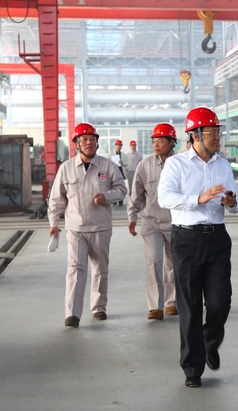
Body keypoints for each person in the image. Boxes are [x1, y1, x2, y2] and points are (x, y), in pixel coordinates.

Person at [158, 106, 238, 388]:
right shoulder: (176, 164)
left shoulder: (223, 165)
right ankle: (192, 367)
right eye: (211, 132)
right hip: (187, 240)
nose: (217, 137)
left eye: (218, 132)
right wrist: (198, 198)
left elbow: (236, 202)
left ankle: (209, 341)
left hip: (217, 239)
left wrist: (232, 202)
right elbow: (164, 198)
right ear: (195, 135)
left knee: (220, 302)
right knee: (190, 305)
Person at [48, 122, 127, 327]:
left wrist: (107, 196)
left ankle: (99, 307)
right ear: (76, 144)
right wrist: (54, 222)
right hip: (75, 228)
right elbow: (57, 198)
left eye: (92, 139)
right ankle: (72, 313)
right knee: (75, 269)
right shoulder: (66, 168)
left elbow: (121, 189)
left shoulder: (107, 166)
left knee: (100, 269)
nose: (89, 143)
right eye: (84, 139)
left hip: (100, 227)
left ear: (97, 143)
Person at [127, 123, 178, 321]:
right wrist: (132, 216)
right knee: (154, 261)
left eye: (161, 141)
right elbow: (136, 194)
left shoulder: (181, 164)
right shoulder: (144, 165)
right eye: (154, 141)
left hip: (176, 222)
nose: (156, 145)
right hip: (151, 222)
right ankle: (155, 306)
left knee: (174, 263)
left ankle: (171, 302)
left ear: (172, 142)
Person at [109, 139, 127, 205]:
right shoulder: (110, 154)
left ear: (121, 146)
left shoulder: (124, 155)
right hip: (113, 173)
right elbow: (107, 163)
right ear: (115, 146)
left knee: (121, 187)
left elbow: (127, 163)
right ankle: (114, 200)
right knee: (113, 187)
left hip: (121, 173)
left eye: (120, 145)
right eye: (117, 145)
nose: (118, 146)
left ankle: (120, 201)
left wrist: (122, 163)